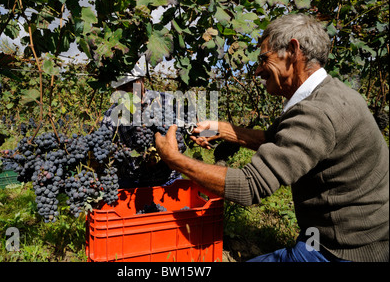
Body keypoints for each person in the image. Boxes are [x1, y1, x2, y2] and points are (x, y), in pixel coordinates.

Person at [154, 13, 389, 262]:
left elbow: (249, 187)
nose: (257, 71)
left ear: (293, 50)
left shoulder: (316, 112)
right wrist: (221, 129)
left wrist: (175, 160)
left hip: (343, 250)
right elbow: (274, 139)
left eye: (264, 58)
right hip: (363, 235)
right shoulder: (331, 93)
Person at [101, 55, 185, 188]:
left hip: (170, 180)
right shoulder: (111, 115)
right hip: (133, 184)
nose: (129, 89)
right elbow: (105, 150)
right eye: (123, 86)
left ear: (142, 80)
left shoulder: (167, 101)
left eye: (132, 84)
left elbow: (182, 136)